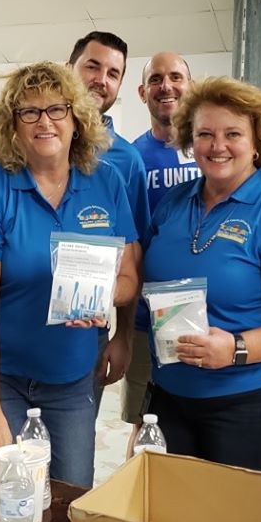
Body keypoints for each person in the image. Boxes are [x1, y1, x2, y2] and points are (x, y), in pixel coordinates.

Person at [0, 61, 140, 487]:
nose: (45, 122)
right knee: (14, 503)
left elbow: (129, 278)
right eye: (29, 112)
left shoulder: (106, 182)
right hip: (5, 378)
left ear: (77, 119)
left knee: (71, 498)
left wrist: (97, 296)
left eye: (57, 109)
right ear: (13, 125)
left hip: (74, 378)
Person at [142, 76, 261, 471]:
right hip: (170, 395)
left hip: (250, 402)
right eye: (204, 134)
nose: (217, 146)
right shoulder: (174, 203)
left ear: (256, 142)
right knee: (167, 520)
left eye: (233, 134)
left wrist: (236, 349)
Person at [67, 31, 149, 405]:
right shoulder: (32, 143)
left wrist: (123, 335)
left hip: (88, 333)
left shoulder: (126, 161)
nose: (101, 79)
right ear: (69, 69)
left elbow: (133, 253)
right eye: (93, 66)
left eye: (113, 73)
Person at [122, 52, 199, 441]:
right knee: (145, 424)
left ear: (191, 86)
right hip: (146, 317)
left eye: (175, 77)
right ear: (142, 92)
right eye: (155, 79)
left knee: (199, 419)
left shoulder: (211, 153)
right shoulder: (132, 158)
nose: (165, 86)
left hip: (210, 313)